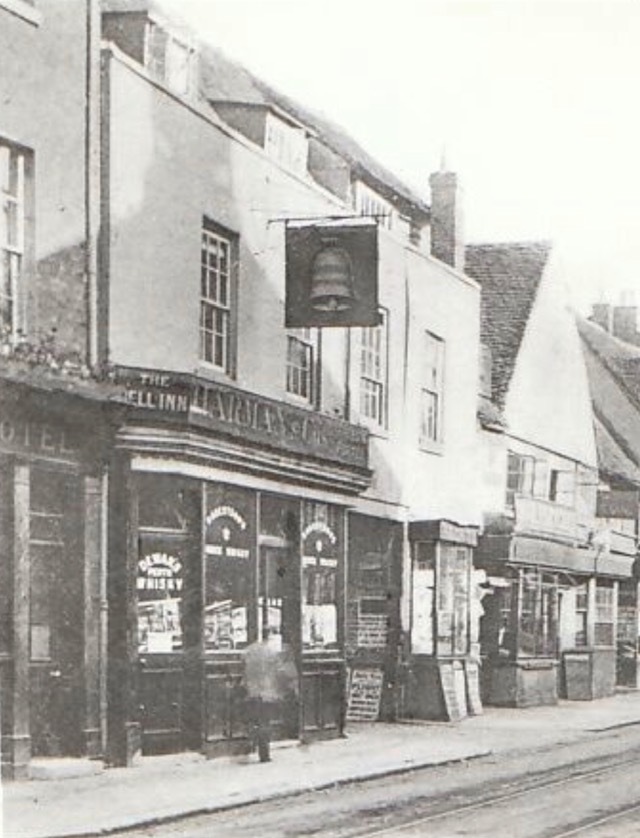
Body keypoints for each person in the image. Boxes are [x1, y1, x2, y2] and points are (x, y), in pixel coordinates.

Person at [243, 629, 298, 762]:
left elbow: (244, 667)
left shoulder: (248, 650)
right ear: (270, 636)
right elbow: (284, 672)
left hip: (251, 691)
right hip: (268, 692)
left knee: (254, 720)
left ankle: (251, 745)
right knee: (265, 722)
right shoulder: (273, 652)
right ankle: (264, 754)